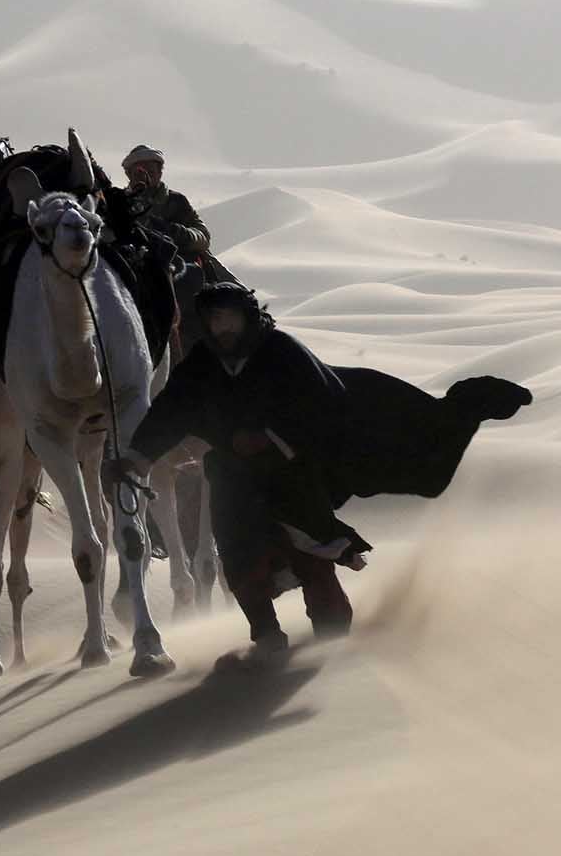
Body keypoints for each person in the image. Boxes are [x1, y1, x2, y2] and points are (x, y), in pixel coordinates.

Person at [117, 283, 530, 666]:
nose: (220, 326)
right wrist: (138, 457)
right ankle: (267, 639)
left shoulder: (279, 350)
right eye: (212, 320)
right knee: (242, 561)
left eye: (227, 317)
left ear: (246, 315)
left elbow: (322, 403)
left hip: (292, 472)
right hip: (232, 478)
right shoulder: (202, 366)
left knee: (311, 553)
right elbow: (170, 411)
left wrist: (270, 438)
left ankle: (334, 650)